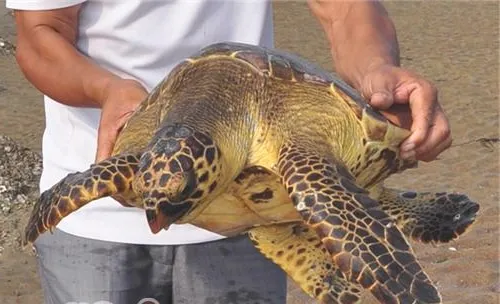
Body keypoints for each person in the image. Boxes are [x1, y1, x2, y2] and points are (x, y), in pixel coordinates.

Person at [7, 0, 452, 303]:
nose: (160, 217)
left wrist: (376, 68)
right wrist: (107, 91)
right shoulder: (130, 179)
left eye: (174, 196)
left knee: (316, 187)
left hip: (251, 218)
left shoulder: (296, 161)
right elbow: (40, 32)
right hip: (96, 224)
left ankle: (393, 211)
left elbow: (345, 9)